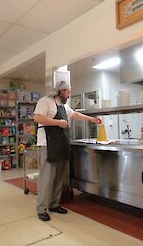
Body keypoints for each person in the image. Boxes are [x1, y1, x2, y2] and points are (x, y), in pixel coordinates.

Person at [34, 81, 101, 221]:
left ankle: (54, 204)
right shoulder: (45, 101)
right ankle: (41, 209)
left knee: (59, 176)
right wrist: (58, 123)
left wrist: (92, 120)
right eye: (68, 92)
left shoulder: (64, 106)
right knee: (47, 177)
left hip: (61, 144)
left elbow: (75, 115)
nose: (69, 95)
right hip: (47, 144)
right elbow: (37, 117)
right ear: (61, 91)